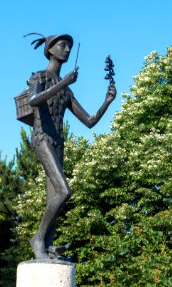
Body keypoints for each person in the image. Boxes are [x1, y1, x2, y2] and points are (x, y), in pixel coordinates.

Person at [25, 33, 116, 259]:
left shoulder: (66, 91)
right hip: (42, 138)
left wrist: (107, 101)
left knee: (54, 196)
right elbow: (33, 100)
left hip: (57, 143)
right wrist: (63, 82)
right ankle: (37, 239)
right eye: (62, 45)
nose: (67, 49)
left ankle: (48, 245)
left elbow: (89, 121)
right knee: (64, 191)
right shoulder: (40, 77)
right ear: (50, 50)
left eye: (69, 46)